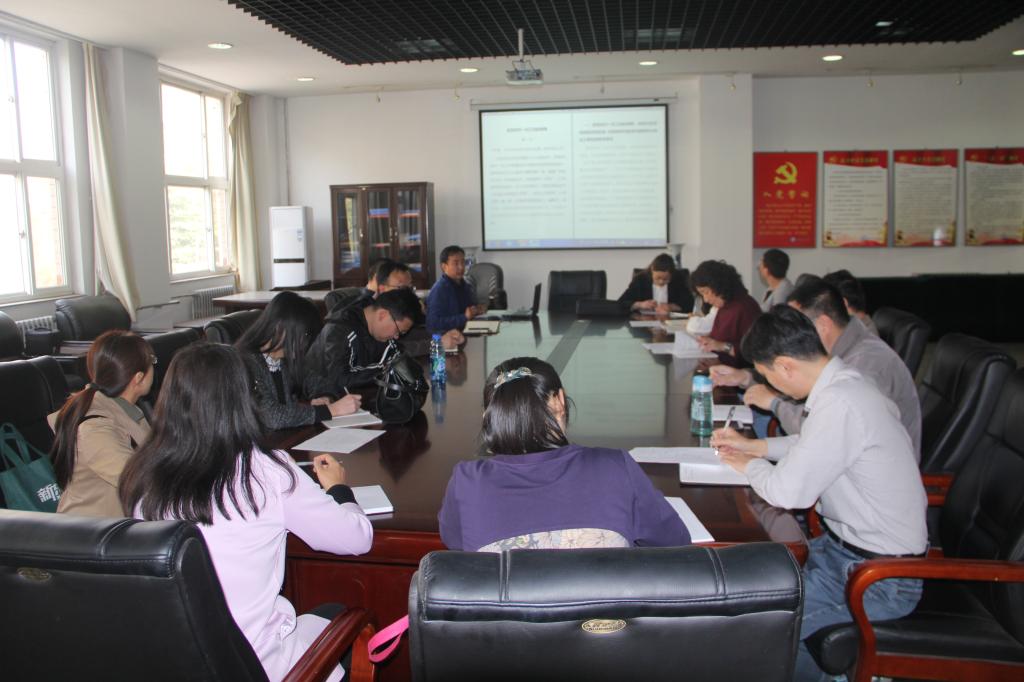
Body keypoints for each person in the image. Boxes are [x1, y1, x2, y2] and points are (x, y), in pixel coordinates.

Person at [120, 343, 373, 682]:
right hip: (257, 664)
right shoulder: (265, 470)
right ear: (242, 399)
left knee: (323, 613)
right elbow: (356, 538)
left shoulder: (142, 475)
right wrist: (339, 489)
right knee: (349, 616)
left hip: (180, 662)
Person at [710, 307, 926, 682]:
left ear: (785, 366)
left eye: (767, 376)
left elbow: (786, 493)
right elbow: (811, 443)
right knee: (753, 602)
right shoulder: (845, 386)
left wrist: (747, 464)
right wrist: (755, 447)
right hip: (843, 554)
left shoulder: (842, 402)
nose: (772, 386)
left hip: (880, 578)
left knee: (762, 635)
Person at [438, 357, 690, 552]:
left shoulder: (467, 481)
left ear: (487, 415)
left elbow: (457, 545)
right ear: (559, 400)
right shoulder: (615, 466)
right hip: (607, 607)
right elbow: (675, 542)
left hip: (506, 608)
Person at [711, 278, 922, 457]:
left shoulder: (865, 364)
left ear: (823, 325)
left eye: (797, 324)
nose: (790, 332)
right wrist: (746, 377)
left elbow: (819, 432)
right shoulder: (834, 352)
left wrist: (775, 404)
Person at [47, 330, 155, 517]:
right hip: (91, 531)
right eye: (152, 362)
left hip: (119, 524)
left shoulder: (123, 408)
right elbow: (139, 482)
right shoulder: (94, 428)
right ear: (138, 378)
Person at [236, 291, 361, 430]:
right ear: (280, 328)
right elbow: (271, 416)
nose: (305, 343)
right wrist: (331, 410)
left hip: (285, 437)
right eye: (304, 335)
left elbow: (319, 381)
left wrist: (324, 397)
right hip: (257, 441)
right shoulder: (245, 363)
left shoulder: (284, 358)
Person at [303, 287, 424, 399]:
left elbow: (399, 360)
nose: (397, 337)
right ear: (382, 315)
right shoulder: (340, 331)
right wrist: (384, 370)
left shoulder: (381, 331)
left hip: (360, 398)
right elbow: (339, 379)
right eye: (398, 331)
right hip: (323, 398)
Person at [689, 260, 762, 368]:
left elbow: (754, 352)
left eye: (706, 292)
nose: (705, 299)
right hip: (721, 369)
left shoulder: (745, 307)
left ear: (718, 286)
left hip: (739, 374)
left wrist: (721, 346)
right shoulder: (724, 306)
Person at [425, 245, 485, 334]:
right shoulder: (439, 290)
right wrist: (464, 317)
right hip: (447, 337)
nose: (461, 267)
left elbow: (469, 308)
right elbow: (432, 323)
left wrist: (477, 309)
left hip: (465, 331)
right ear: (444, 267)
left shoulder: (465, 285)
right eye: (456, 263)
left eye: (463, 262)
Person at [618, 253, 694, 313]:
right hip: (643, 322)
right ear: (652, 271)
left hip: (670, 322)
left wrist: (672, 307)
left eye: (666, 279)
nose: (661, 282)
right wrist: (640, 304)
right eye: (657, 278)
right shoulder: (640, 280)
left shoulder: (679, 280)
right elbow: (621, 303)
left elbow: (690, 304)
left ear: (672, 275)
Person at [823, 269, 879, 336]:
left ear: (843, 304)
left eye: (826, 305)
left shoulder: (861, 337)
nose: (824, 311)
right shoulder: (857, 331)